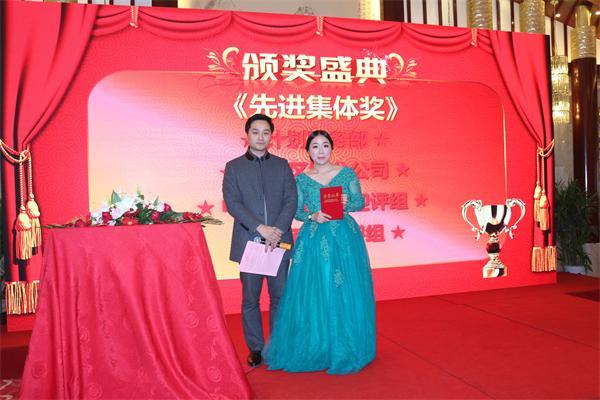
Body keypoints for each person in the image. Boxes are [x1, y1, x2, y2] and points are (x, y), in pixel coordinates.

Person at [263, 130, 376, 374]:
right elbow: (297, 211)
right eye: (315, 146)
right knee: (316, 289)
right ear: (308, 151)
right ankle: (318, 345)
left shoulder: (346, 173)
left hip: (343, 238)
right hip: (313, 239)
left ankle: (345, 345)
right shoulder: (302, 179)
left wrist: (347, 202)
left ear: (332, 148)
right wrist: (312, 215)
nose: (321, 151)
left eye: (325, 145)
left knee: (343, 289)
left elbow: (360, 202)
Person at [222, 114, 297, 367]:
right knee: (250, 300)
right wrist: (260, 228)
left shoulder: (282, 165)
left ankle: (277, 346)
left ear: (271, 136)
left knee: (279, 298)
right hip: (249, 242)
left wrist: (277, 230)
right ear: (247, 134)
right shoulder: (234, 167)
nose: (261, 137)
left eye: (266, 132)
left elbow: (291, 200)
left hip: (279, 242)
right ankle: (255, 348)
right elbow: (233, 203)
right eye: (256, 132)